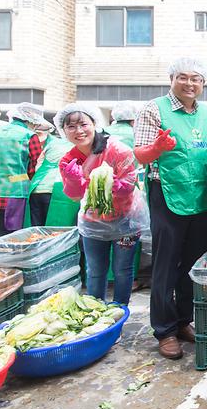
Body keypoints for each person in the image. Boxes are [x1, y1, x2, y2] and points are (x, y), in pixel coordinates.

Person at [134, 57, 207, 359]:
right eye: (183, 77)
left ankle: (183, 320)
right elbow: (140, 155)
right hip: (167, 194)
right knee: (166, 265)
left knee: (193, 265)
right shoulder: (154, 109)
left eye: (196, 79)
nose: (190, 83)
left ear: (203, 84)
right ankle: (165, 330)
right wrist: (157, 148)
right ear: (172, 79)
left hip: (202, 196)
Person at [56, 104, 147, 305]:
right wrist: (72, 179)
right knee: (95, 270)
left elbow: (129, 185)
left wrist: (112, 183)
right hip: (93, 222)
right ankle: (96, 312)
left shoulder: (116, 149)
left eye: (83, 124)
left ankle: (120, 309)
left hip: (125, 222)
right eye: (71, 127)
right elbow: (74, 195)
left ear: (94, 124)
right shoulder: (68, 160)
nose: (79, 131)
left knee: (123, 269)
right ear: (63, 131)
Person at [0, 103, 44, 236]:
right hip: (14, 192)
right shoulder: (29, 135)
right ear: (32, 121)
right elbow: (34, 167)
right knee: (10, 237)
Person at [27, 120, 71, 226]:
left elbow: (38, 165)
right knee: (54, 228)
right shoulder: (77, 145)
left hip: (37, 189)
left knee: (36, 227)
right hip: (57, 191)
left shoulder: (52, 144)